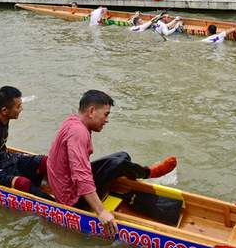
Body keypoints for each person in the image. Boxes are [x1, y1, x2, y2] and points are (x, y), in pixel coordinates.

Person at [46, 90, 177, 234]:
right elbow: (80, 175)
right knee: (118, 164)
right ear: (91, 111)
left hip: (68, 185)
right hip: (73, 199)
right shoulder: (79, 132)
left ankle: (133, 178)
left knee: (123, 156)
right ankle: (149, 173)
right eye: (106, 114)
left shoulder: (73, 121)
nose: (107, 120)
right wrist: (101, 212)